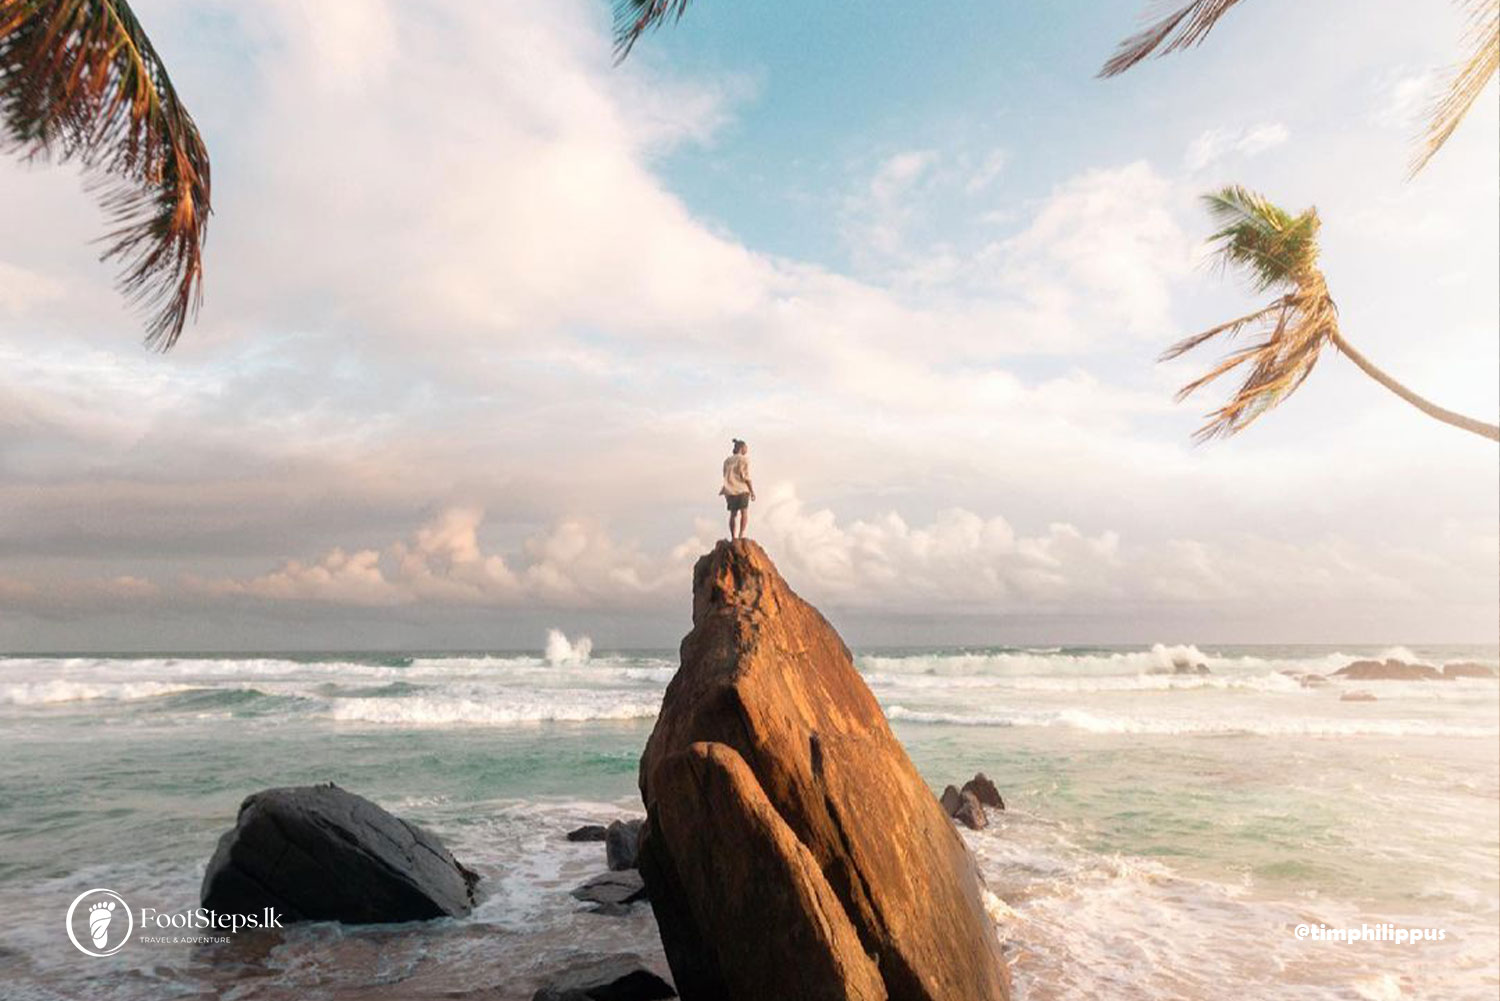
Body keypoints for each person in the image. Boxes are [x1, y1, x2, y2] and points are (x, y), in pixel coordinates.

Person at [720, 438, 756, 541]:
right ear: (742, 448)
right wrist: (752, 491)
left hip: (730, 490)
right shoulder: (744, 459)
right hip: (742, 489)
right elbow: (746, 476)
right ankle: (741, 535)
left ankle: (733, 537)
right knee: (744, 512)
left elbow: (725, 475)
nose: (746, 450)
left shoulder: (727, 461)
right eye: (746, 448)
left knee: (733, 514)